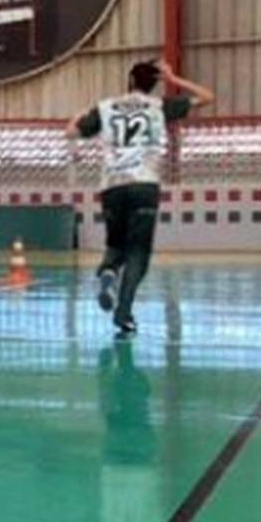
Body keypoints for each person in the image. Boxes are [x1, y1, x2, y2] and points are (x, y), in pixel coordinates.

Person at [68, 59, 214, 337]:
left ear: (130, 81)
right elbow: (208, 97)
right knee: (138, 253)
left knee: (115, 246)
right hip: (144, 185)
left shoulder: (106, 107)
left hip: (112, 186)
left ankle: (109, 272)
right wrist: (174, 78)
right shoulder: (159, 107)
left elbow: (71, 132)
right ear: (153, 84)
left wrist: (80, 113)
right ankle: (123, 313)